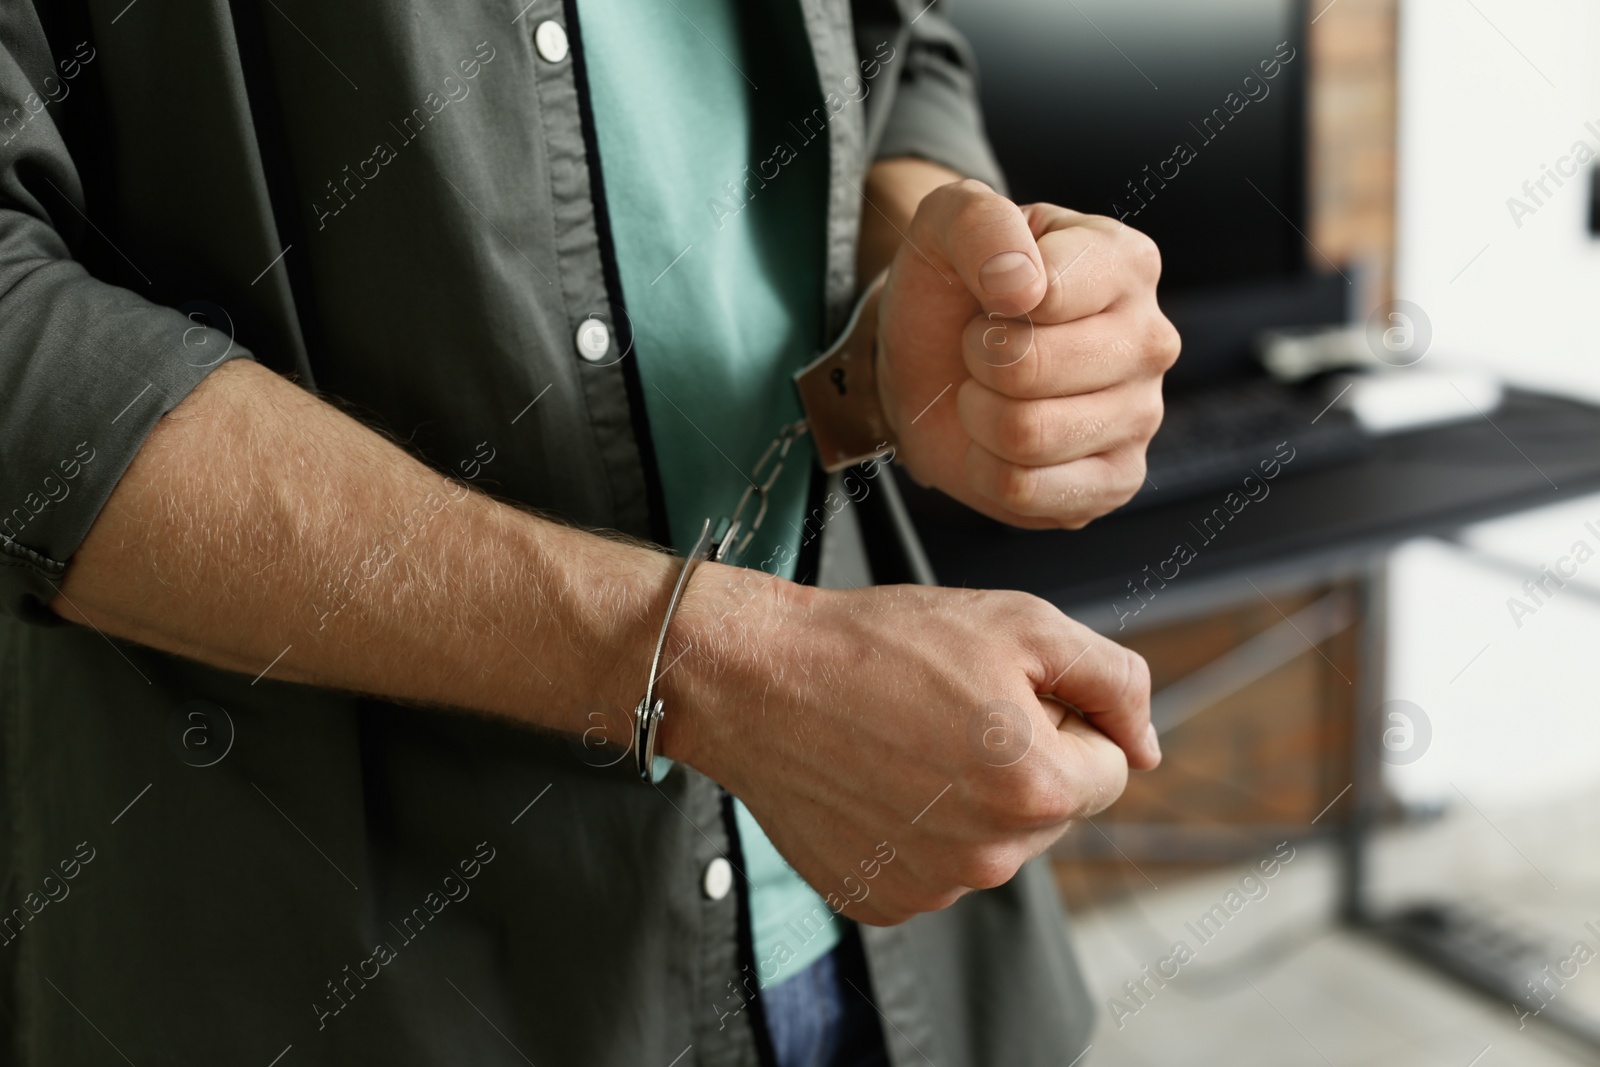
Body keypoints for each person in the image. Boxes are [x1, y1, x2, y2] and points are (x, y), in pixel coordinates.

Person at [0, 0, 1178, 1064]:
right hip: (352, 987)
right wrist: (710, 667)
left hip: (868, 948)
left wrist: (949, 301)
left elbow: (898, 41)